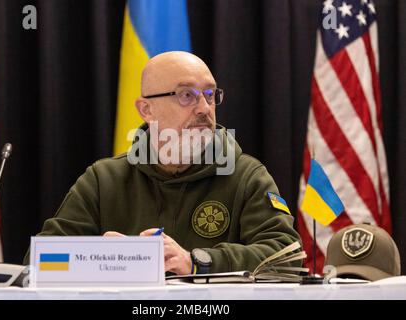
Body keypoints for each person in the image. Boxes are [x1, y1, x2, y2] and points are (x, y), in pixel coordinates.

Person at [24, 51, 301, 275]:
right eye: (186, 95)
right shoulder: (103, 180)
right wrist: (103, 257)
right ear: (146, 109)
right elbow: (41, 262)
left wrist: (198, 262)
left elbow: (287, 256)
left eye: (209, 94)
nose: (204, 108)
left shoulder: (247, 175)